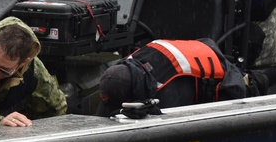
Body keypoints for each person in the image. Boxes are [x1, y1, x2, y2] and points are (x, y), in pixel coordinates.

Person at [95, 38, 252, 117]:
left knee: (251, 84)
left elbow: (167, 130)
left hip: (222, 78)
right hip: (199, 49)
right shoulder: (123, 67)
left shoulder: (166, 93)